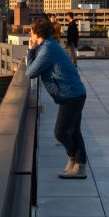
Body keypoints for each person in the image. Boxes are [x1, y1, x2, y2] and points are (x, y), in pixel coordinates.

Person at [25, 17, 88, 179]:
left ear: (37, 34)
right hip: (73, 93)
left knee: (60, 132)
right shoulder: (48, 45)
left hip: (71, 95)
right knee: (74, 130)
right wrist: (33, 50)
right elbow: (32, 69)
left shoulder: (47, 50)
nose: (29, 34)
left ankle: (76, 160)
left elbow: (30, 72)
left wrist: (30, 50)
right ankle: (78, 165)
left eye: (30, 32)